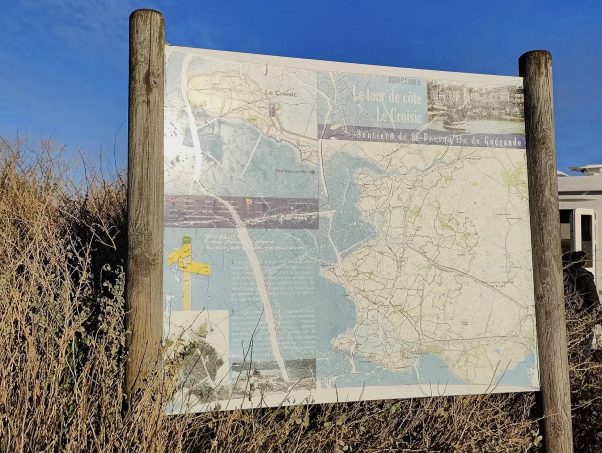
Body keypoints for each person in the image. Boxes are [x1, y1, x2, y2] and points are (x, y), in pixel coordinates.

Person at [563, 250, 601, 361]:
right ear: (584, 262)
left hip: (566, 317)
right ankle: (581, 365)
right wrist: (598, 316)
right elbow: (593, 300)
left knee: (570, 348)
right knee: (584, 349)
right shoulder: (586, 276)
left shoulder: (564, 275)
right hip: (583, 318)